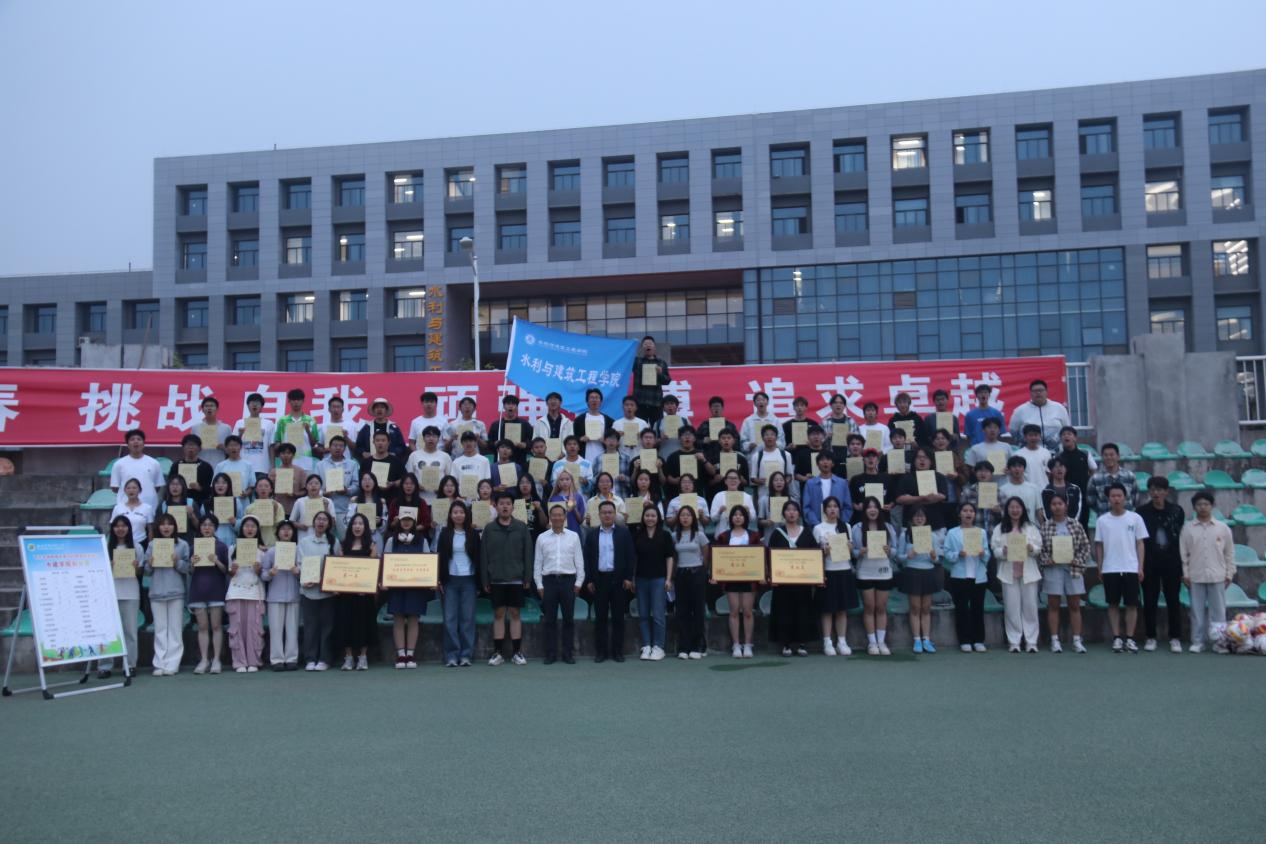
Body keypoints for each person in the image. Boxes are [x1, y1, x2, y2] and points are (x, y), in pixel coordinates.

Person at [478, 495, 532, 666]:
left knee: (515, 613)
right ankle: (498, 653)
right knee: (499, 614)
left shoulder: (521, 527)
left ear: (513, 507)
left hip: (516, 578)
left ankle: (517, 652)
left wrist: (527, 577)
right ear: (496, 506)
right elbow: (483, 556)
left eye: (508, 504)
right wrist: (485, 579)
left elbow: (528, 553)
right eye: (501, 504)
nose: (505, 507)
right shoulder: (489, 528)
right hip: (496, 579)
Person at [1179, 491, 1236, 653]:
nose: (1202, 507)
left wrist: (1229, 573)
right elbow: (1183, 553)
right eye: (1199, 504)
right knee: (1196, 611)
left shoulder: (1222, 528)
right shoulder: (1188, 529)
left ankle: (1219, 642)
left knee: (1218, 612)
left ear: (1212, 506)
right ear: (1194, 507)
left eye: (1206, 504)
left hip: (1218, 575)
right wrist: (1186, 573)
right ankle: (1198, 641)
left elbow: (1229, 553)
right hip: (1195, 575)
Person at [1095, 483, 1148, 653]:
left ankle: (1130, 638)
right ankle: (1117, 638)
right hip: (1110, 568)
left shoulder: (1135, 518)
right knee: (1113, 604)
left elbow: (1140, 543)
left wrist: (1140, 567)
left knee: (1132, 604)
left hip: (1131, 568)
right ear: (1108, 499)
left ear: (1125, 497)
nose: (1116, 499)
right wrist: (1100, 567)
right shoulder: (1102, 520)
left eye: (1119, 496)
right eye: (1113, 496)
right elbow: (1099, 546)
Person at [1037, 492, 1091, 654]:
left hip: (1073, 569)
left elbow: (1085, 546)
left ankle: (1077, 640)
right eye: (1054, 504)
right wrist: (1047, 560)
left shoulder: (1076, 525)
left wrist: (1077, 559)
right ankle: (1055, 640)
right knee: (1053, 605)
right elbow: (1040, 549)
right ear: (1050, 507)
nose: (1057, 507)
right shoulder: (1045, 526)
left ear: (1066, 506)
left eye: (1060, 504)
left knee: (1075, 605)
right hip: (1053, 569)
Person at [583, 500, 636, 662]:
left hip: (619, 580)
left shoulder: (623, 533)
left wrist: (628, 578)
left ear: (615, 514)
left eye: (610, 512)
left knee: (618, 617)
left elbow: (630, 556)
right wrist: (589, 580)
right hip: (599, 580)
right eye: (604, 512)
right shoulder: (592, 534)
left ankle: (617, 651)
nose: (607, 515)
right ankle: (601, 652)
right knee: (600, 618)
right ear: (599, 515)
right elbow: (587, 559)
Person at [1138, 476, 1186, 653]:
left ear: (1166, 491)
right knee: (1149, 600)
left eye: (1159, 489)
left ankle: (1175, 637)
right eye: (1152, 489)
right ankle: (1150, 637)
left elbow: (1178, 534)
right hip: (1149, 561)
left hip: (1172, 560)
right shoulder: (1141, 512)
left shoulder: (1176, 511)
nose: (1155, 493)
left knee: (1173, 599)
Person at [534, 504, 585, 664]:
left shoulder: (573, 536)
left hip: (568, 582)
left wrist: (579, 582)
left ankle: (568, 653)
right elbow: (538, 563)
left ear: (564, 517)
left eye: (560, 515)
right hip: (548, 582)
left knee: (568, 620)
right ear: (550, 517)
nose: (557, 517)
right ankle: (551, 654)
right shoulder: (542, 538)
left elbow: (579, 561)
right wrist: (539, 585)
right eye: (554, 515)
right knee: (550, 620)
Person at [767, 499, 818, 657]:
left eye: (794, 510)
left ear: (799, 513)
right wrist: (772, 576)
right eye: (788, 510)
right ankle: (786, 644)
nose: (791, 513)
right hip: (783, 582)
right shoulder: (777, 533)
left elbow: (814, 555)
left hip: (802, 581)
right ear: (783, 513)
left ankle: (802, 643)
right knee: (784, 611)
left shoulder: (806, 532)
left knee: (803, 611)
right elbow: (770, 555)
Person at [142, 513, 190, 676]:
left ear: (175, 527)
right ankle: (160, 663)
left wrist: (177, 561)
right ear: (158, 527)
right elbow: (147, 571)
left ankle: (173, 663)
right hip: (157, 592)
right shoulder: (152, 545)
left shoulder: (182, 545)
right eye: (163, 524)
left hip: (176, 592)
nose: (166, 527)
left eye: (169, 524)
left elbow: (188, 568)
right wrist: (149, 563)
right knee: (160, 629)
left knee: (175, 629)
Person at [992, 496, 1042, 653]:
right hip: (1009, 573)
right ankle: (1014, 642)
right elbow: (995, 550)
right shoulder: (1000, 528)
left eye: (1018, 507)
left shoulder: (1031, 527)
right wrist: (1003, 551)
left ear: (1023, 510)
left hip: (1029, 573)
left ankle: (1031, 642)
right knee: (1012, 608)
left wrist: (1031, 548)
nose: (1015, 510)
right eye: (1011, 507)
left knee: (1030, 607)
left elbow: (1039, 548)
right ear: (1007, 510)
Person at [382, 510, 431, 668]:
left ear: (414, 522)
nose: (406, 522)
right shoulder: (391, 540)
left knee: (413, 619)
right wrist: (384, 581)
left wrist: (429, 580)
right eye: (404, 519)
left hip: (416, 587)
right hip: (396, 586)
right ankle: (401, 655)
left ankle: (410, 654)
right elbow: (385, 562)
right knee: (398, 618)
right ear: (399, 521)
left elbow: (428, 562)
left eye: (409, 519)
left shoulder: (422, 540)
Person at [713, 506, 763, 658]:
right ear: (731, 518)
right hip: (731, 578)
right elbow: (718, 558)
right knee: (734, 611)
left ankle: (748, 644)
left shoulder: (754, 535)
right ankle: (736, 644)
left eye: (741, 515)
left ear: (746, 518)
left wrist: (762, 574)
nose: (738, 517)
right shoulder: (724, 536)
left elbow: (760, 556)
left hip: (749, 578)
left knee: (747, 612)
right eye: (735, 515)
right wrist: (716, 574)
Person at [851, 497, 898, 655]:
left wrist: (889, 550)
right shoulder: (857, 528)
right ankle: (872, 643)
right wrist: (859, 552)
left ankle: (881, 642)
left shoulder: (888, 527)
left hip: (883, 571)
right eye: (869, 507)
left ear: (879, 509)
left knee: (881, 607)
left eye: (875, 507)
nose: (872, 510)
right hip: (865, 571)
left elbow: (895, 551)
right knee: (869, 607)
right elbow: (852, 552)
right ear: (864, 510)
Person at [942, 503, 990, 653]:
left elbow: (987, 554)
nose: (968, 513)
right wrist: (958, 554)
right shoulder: (952, 533)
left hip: (978, 576)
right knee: (962, 609)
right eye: (965, 511)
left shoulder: (981, 532)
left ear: (975, 515)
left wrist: (983, 553)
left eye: (971, 511)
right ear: (960, 514)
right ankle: (964, 640)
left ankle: (979, 640)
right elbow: (947, 553)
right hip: (959, 575)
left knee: (978, 609)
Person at [632, 505, 676, 661]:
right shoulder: (638, 535)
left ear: (658, 518)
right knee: (643, 614)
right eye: (647, 515)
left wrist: (668, 578)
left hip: (659, 579)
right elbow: (634, 559)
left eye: (653, 516)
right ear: (643, 517)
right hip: (641, 579)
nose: (650, 518)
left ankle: (659, 646)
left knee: (658, 615)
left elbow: (669, 557)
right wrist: (633, 578)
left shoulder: (665, 535)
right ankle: (646, 645)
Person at [813, 497, 857, 656]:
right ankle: (827, 641)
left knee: (842, 609)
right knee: (827, 609)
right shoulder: (818, 528)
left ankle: (842, 641)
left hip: (844, 570)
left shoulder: (846, 526)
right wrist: (824, 551)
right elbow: (815, 555)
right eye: (829, 506)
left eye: (835, 506)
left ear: (839, 509)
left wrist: (850, 548)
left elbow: (851, 551)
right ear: (824, 510)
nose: (832, 509)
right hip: (828, 572)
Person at [100, 515, 142, 679]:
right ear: (113, 528)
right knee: (108, 631)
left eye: (124, 526)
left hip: (130, 593)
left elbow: (141, 571)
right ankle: (105, 666)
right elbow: (98, 570)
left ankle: (130, 665)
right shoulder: (105, 546)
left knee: (130, 631)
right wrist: (108, 566)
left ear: (129, 528)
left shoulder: (137, 547)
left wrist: (136, 567)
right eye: (117, 526)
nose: (120, 529)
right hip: (109, 593)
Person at [338, 513, 380, 670]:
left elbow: (374, 569)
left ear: (366, 527)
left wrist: (366, 587)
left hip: (364, 594)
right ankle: (348, 657)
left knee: (364, 623)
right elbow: (338, 568)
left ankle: (363, 657)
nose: (357, 526)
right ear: (350, 526)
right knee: (345, 622)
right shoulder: (343, 545)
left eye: (361, 523)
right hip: (346, 593)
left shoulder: (371, 545)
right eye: (355, 523)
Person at [186, 515, 227, 675]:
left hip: (216, 589)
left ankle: (216, 659)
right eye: (204, 525)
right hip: (198, 590)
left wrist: (216, 561)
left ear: (215, 528)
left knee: (216, 626)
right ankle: (204, 659)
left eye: (210, 525)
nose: (207, 528)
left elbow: (225, 570)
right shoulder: (193, 547)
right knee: (202, 627)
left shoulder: (221, 547)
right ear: (200, 528)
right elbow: (190, 571)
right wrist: (192, 563)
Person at [299, 511, 339, 671]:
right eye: (318, 519)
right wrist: (304, 578)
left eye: (324, 520)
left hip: (328, 592)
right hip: (308, 591)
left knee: (327, 626)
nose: (321, 522)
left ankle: (324, 658)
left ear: (329, 524)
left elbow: (338, 564)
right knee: (310, 626)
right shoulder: (304, 542)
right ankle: (310, 658)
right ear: (313, 522)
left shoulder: (334, 542)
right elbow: (299, 564)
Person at [260, 519, 301, 671]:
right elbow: (263, 575)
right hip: (275, 596)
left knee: (292, 629)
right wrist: (270, 573)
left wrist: (298, 572)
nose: (286, 531)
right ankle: (276, 659)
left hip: (294, 595)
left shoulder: (298, 550)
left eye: (289, 529)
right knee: (276, 630)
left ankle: (291, 659)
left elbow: (305, 572)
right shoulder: (271, 552)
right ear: (277, 533)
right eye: (283, 529)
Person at [227, 516, 267, 672]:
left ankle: (253, 661)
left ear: (257, 530)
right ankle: (239, 662)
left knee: (254, 628)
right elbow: (230, 573)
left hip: (255, 592)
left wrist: (258, 570)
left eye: (253, 526)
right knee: (236, 627)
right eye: (246, 526)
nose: (249, 529)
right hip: (236, 592)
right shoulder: (232, 549)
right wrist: (233, 570)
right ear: (241, 529)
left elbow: (264, 575)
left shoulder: (262, 551)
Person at [899, 505, 941, 654]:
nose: (919, 518)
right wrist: (908, 556)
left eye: (922, 516)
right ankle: (917, 639)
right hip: (912, 572)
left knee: (926, 608)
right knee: (915, 607)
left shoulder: (933, 536)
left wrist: (934, 556)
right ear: (912, 519)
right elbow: (899, 557)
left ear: (926, 518)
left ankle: (926, 639)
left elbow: (937, 559)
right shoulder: (905, 535)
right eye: (916, 516)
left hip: (928, 572)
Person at [671, 504, 710, 659]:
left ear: (693, 518)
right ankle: (684, 646)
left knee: (697, 610)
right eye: (682, 515)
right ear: (678, 518)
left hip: (697, 573)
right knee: (682, 610)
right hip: (681, 574)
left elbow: (706, 557)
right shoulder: (674, 536)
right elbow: (674, 558)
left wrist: (701, 572)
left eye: (688, 515)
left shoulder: (700, 535)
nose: (685, 518)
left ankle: (697, 645)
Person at [894, 448, 950, 531]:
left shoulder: (939, 477)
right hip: (910, 525)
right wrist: (922, 498)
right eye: (919, 457)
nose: (922, 460)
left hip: (935, 524)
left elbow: (943, 496)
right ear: (914, 461)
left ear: (931, 461)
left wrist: (912, 498)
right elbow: (899, 499)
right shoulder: (906, 478)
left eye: (925, 457)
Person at [1008, 379, 1071, 450]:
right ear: (1030, 393)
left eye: (1041, 390)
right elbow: (1014, 433)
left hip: (1056, 453)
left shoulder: (1059, 408)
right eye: (1035, 391)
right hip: (1029, 452)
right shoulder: (1020, 410)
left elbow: (1067, 429)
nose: (1038, 393)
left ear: (1046, 392)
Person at [110, 428, 165, 508]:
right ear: (127, 444)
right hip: (125, 507)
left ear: (143, 443)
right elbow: (115, 487)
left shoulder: (154, 463)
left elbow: (157, 487)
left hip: (149, 506)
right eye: (132, 439)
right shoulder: (119, 464)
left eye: (139, 439)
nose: (136, 442)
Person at [1056, 427, 1096, 528]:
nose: (1066, 436)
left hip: (1083, 495)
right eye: (1063, 435)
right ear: (1061, 439)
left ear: (1075, 438)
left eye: (1069, 434)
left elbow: (1093, 470)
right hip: (1066, 496)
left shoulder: (1085, 454)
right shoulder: (1058, 457)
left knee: (1083, 524)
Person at [801, 451, 853, 528]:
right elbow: (806, 507)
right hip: (816, 526)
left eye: (828, 459)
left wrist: (840, 523)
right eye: (822, 460)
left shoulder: (842, 483)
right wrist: (817, 524)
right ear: (817, 464)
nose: (825, 462)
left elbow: (848, 507)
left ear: (833, 463)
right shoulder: (810, 484)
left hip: (838, 526)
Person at [273, 388, 319, 472]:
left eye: (298, 400)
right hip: (287, 460)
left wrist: (308, 431)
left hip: (305, 460)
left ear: (303, 401)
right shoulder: (282, 421)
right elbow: (278, 441)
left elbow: (314, 444)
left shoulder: (310, 420)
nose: (296, 402)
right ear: (289, 401)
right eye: (293, 400)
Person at [1086, 443, 1138, 516]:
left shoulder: (1130, 476)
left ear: (1118, 457)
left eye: (1111, 455)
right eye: (1106, 455)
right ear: (1102, 457)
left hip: (1126, 519)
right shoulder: (1095, 478)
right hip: (1105, 518)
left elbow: (1135, 499)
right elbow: (1091, 501)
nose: (1109, 458)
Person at [406, 425, 453, 503]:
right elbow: (408, 477)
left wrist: (442, 487)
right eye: (428, 436)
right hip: (419, 499)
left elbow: (450, 478)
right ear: (423, 438)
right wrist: (416, 485)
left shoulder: (445, 456)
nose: (431, 439)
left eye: (434, 436)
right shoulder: (414, 455)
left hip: (440, 500)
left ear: (438, 439)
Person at [234, 393, 276, 480]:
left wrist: (272, 466)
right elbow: (233, 444)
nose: (255, 405)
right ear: (248, 405)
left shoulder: (269, 423)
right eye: (252, 403)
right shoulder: (240, 423)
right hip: (243, 465)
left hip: (262, 466)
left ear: (262, 406)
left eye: (258, 403)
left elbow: (271, 446)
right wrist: (240, 434)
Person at [632, 335, 671, 424]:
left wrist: (660, 374)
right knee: (640, 428)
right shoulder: (636, 361)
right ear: (642, 348)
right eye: (645, 344)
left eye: (650, 343)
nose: (648, 345)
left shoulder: (661, 363)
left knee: (657, 428)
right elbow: (626, 361)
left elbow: (667, 381)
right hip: (639, 402)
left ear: (654, 347)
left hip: (656, 402)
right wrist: (632, 344)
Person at [355, 397, 408, 462]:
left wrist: (394, 453)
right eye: (377, 407)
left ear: (386, 410)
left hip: (390, 461)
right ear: (373, 410)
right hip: (371, 461)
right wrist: (363, 452)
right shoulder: (367, 428)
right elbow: (358, 445)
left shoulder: (394, 428)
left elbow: (402, 446)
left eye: (382, 407)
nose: (379, 409)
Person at [360, 430, 407, 500]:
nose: (380, 443)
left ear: (389, 442)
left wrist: (393, 483)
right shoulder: (366, 462)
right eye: (377, 440)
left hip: (392, 500)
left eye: (383, 440)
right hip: (371, 500)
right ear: (373, 442)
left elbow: (405, 479)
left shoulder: (396, 461)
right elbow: (360, 482)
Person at [169, 433, 213, 507]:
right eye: (188, 445)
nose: (191, 447)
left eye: (194, 445)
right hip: (179, 503)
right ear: (183, 448)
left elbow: (211, 489)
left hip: (199, 503)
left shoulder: (206, 467)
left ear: (200, 449)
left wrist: (200, 488)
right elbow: (169, 484)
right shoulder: (176, 465)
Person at [999, 456, 1043, 525]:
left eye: (1020, 466)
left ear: (1024, 469)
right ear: (1009, 469)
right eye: (1014, 466)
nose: (1017, 469)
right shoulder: (1002, 490)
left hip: (1030, 527)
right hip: (1010, 528)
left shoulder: (1034, 488)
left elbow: (1039, 510)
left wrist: (1043, 527)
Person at [740, 390, 785, 458]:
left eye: (763, 400)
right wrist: (749, 445)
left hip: (773, 456)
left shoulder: (775, 420)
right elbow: (742, 442)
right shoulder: (748, 421)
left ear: (767, 402)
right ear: (754, 403)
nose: (761, 402)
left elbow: (781, 441)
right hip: (754, 456)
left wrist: (774, 444)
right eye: (758, 400)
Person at [577, 388, 616, 464]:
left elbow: (614, 440)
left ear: (601, 401)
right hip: (584, 458)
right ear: (587, 401)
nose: (594, 400)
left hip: (604, 458)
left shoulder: (609, 421)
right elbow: (573, 439)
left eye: (597, 398)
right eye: (591, 398)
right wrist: (580, 439)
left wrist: (606, 441)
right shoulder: (579, 420)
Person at [111, 478, 154, 546]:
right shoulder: (118, 508)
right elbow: (113, 528)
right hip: (123, 544)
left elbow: (150, 530)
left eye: (134, 488)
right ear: (125, 490)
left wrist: (150, 546)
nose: (131, 490)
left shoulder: (147, 508)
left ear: (140, 490)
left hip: (141, 542)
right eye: (128, 488)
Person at [488, 394, 531, 462]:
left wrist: (525, 445)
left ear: (517, 407)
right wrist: (495, 444)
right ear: (504, 407)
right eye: (508, 404)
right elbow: (489, 444)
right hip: (500, 461)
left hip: (519, 460)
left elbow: (532, 442)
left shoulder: (524, 424)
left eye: (513, 404)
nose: (510, 406)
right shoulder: (496, 425)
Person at [1041, 456, 1083, 524]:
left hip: (1072, 525)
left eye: (1062, 466)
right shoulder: (1046, 491)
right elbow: (1045, 511)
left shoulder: (1075, 489)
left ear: (1066, 469)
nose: (1059, 469)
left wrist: (1071, 523)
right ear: (1051, 470)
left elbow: (1077, 509)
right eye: (1056, 466)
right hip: (1052, 526)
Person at [213, 435, 255, 503]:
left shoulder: (248, 465)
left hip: (242, 501)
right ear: (226, 448)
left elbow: (252, 485)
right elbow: (214, 485)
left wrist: (246, 493)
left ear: (241, 447)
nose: (233, 448)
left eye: (236, 445)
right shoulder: (220, 466)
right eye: (230, 445)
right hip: (224, 502)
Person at [194, 395, 234, 466]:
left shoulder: (226, 428)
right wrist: (198, 447)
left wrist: (223, 448)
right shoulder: (195, 428)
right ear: (202, 409)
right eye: (206, 406)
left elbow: (233, 451)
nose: (209, 408)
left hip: (220, 465)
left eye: (212, 406)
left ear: (217, 409)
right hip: (201, 465)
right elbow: (191, 449)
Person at [270, 442, 307, 514]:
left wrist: (295, 494)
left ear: (293, 455)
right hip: (278, 508)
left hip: (295, 508)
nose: (286, 455)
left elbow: (305, 491)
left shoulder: (300, 471)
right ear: (279, 455)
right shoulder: (273, 472)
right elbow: (269, 491)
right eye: (283, 453)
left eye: (289, 453)